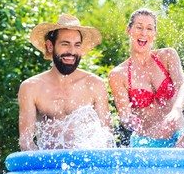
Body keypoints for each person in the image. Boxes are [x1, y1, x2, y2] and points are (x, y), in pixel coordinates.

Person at [18, 14, 115, 151]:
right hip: (49, 165)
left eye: (77, 45)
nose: (72, 51)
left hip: (85, 166)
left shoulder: (95, 85)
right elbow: (26, 141)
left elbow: (107, 137)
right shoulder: (31, 88)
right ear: (50, 46)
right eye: (65, 44)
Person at [108, 8, 184, 147]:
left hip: (178, 137)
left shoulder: (167, 56)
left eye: (149, 28)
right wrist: (129, 120)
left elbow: (183, 85)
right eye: (139, 27)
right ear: (129, 30)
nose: (144, 33)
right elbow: (124, 114)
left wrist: (176, 109)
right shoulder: (118, 74)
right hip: (145, 143)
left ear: (155, 33)